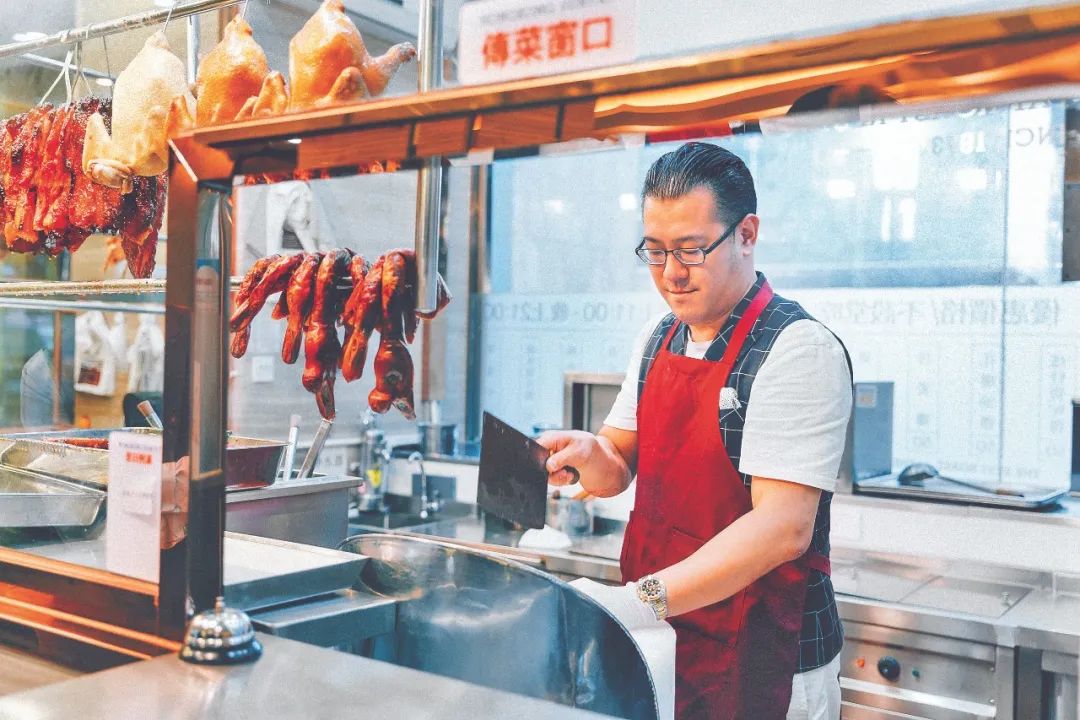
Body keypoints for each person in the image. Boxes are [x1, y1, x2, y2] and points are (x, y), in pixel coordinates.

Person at [539, 142, 852, 720]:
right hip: (665, 641)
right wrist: (591, 452)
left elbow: (783, 528)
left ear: (747, 234)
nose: (671, 274)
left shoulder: (797, 349)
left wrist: (641, 600)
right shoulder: (661, 335)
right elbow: (618, 466)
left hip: (766, 653)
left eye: (691, 250)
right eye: (654, 251)